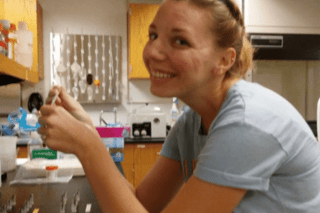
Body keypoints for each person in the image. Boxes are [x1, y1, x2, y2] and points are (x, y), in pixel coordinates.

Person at [37, 0, 320, 212]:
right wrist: (87, 126)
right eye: (153, 35)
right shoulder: (192, 121)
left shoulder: (249, 122)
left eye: (180, 41)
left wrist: (88, 146)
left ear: (225, 60)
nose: (152, 52)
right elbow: (142, 203)